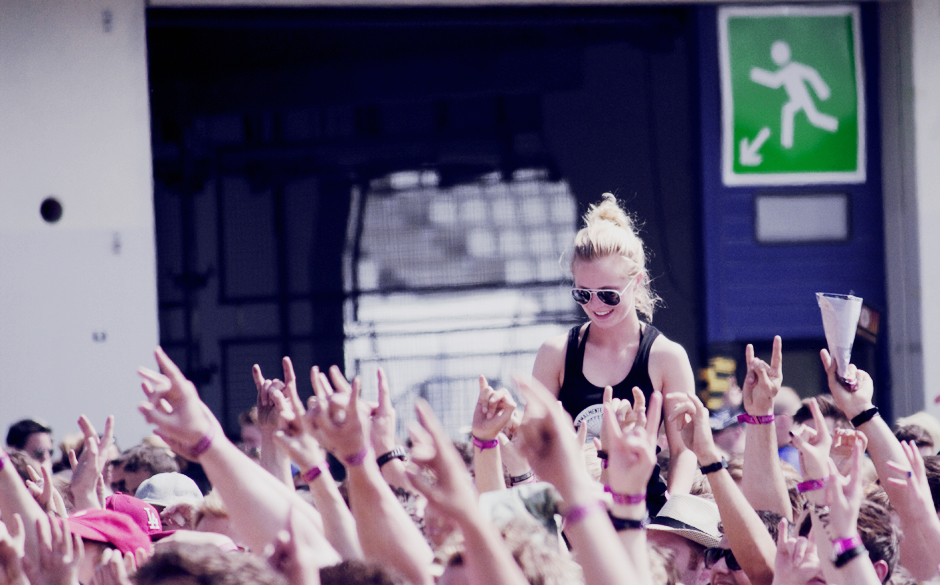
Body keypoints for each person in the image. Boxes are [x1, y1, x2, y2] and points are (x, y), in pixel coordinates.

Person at [532, 193, 697, 490]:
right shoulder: (555, 354)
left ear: (637, 281)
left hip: (645, 514)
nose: (596, 305)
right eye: (583, 293)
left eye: (609, 294)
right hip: (576, 516)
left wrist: (671, 517)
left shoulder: (667, 357)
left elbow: (684, 451)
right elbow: (536, 446)